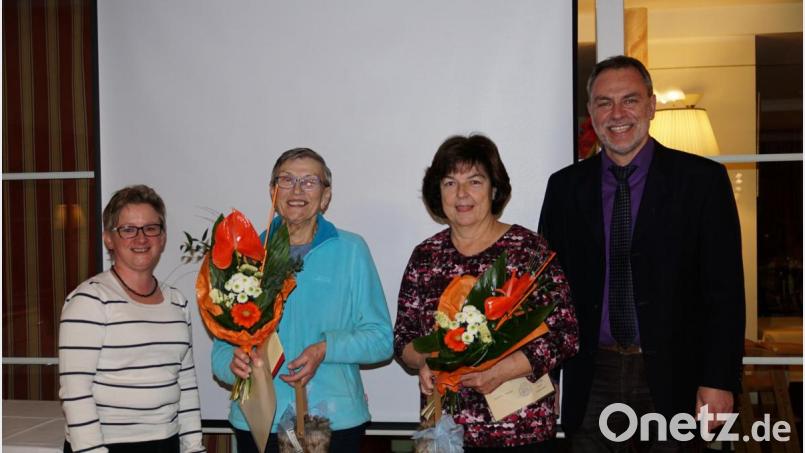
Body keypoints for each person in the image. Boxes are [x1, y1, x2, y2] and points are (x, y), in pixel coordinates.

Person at [539, 55, 745, 452]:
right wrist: (549, 378)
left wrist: (719, 378)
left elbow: (726, 292)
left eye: (630, 100)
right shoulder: (564, 188)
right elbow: (549, 294)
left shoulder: (702, 182)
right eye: (604, 102)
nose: (617, 114)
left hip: (675, 379)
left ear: (651, 106)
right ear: (590, 112)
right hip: (591, 377)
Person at [394, 135, 579, 452]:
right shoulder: (426, 256)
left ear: (494, 189)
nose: (461, 194)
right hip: (445, 433)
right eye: (450, 182)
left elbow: (565, 333)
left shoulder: (527, 251)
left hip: (521, 431)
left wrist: (499, 371)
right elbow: (403, 338)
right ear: (438, 192)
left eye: (474, 182)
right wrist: (427, 360)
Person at [211, 148, 393, 453]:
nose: (297, 190)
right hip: (259, 422)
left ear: (326, 196)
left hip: (333, 421)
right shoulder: (245, 255)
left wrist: (325, 348)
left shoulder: (351, 250)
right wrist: (234, 365)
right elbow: (220, 352)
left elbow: (381, 339)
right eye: (286, 180)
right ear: (272, 192)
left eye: (310, 181)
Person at [59, 185, 206, 453]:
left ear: (162, 238)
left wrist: (194, 447)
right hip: (108, 446)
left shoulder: (177, 301)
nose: (141, 238)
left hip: (167, 443)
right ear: (108, 239)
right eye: (128, 229)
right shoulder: (89, 301)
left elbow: (185, 382)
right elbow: (75, 391)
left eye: (151, 228)